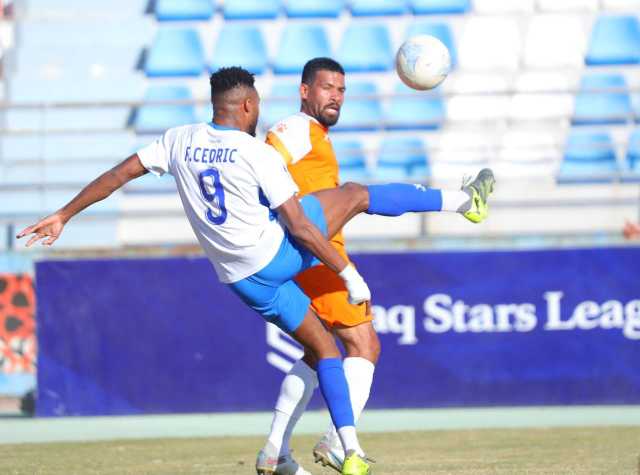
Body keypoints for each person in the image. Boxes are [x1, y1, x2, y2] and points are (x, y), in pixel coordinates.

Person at [17, 67, 495, 475]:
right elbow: (303, 230)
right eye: (258, 104)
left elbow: (118, 175)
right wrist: (347, 273)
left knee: (323, 347)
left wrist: (64, 214)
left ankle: (317, 453)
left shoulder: (177, 140)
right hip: (281, 253)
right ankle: (462, 202)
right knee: (355, 196)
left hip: (241, 280)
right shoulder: (262, 151)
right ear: (246, 105)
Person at [259, 57, 484, 475]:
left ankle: (274, 449)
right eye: (327, 88)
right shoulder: (295, 129)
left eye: (341, 90)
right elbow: (267, 162)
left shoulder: (316, 135)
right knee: (364, 345)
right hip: (317, 253)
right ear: (304, 90)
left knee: (316, 351)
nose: (336, 97)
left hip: (307, 251)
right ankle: (333, 443)